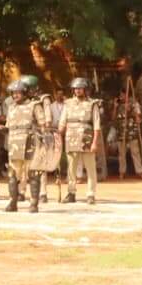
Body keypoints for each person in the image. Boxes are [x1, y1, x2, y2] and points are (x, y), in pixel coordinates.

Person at [2, 80, 48, 212]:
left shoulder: (34, 105)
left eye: (18, 93)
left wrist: (43, 143)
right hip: (14, 146)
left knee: (33, 174)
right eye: (13, 93)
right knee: (12, 175)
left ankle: (34, 203)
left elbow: (43, 126)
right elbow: (8, 128)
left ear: (25, 93)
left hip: (30, 144)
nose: (15, 95)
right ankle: (13, 202)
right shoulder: (11, 108)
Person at [60, 77, 101, 205]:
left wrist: (95, 142)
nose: (78, 91)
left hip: (86, 137)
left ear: (85, 89)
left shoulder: (92, 103)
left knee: (90, 168)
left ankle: (91, 194)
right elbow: (62, 121)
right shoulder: (68, 103)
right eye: (76, 88)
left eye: (80, 88)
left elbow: (96, 125)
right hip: (71, 137)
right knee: (71, 168)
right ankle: (71, 192)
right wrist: (58, 133)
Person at [114, 92, 142, 179]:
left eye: (123, 95)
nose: (121, 97)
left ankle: (139, 171)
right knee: (121, 154)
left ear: (127, 95)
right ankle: (122, 172)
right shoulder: (118, 105)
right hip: (121, 132)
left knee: (135, 152)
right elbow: (113, 118)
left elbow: (139, 117)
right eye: (120, 95)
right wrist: (115, 107)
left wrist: (130, 110)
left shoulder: (134, 104)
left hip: (131, 132)